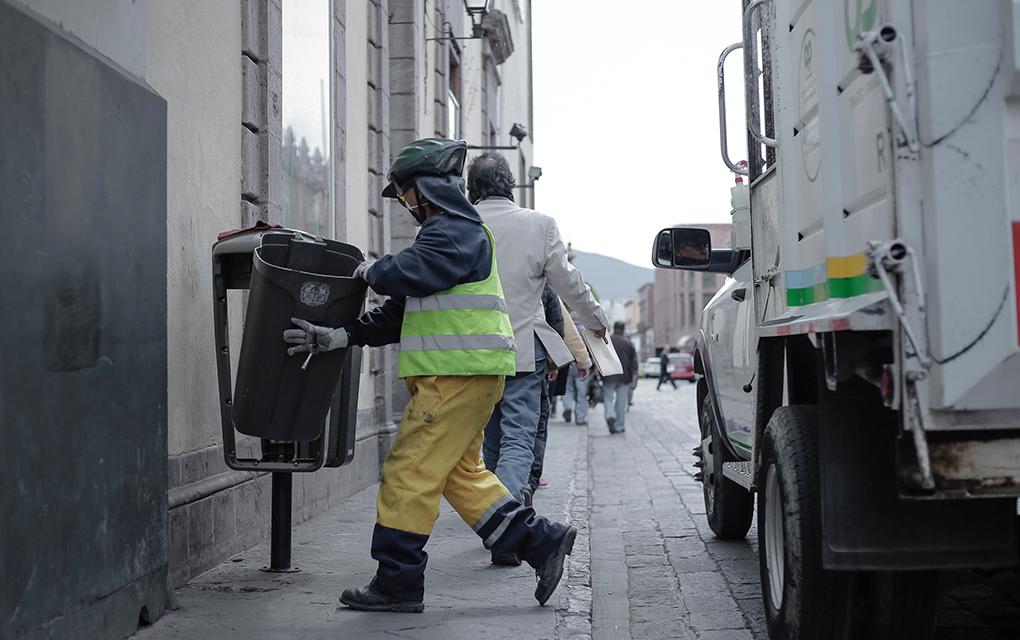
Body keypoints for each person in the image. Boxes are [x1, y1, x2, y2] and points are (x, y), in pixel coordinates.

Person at [284, 139, 575, 613]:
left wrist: (369, 271)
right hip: (466, 374)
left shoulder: (455, 231)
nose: (404, 205)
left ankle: (396, 583)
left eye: (404, 194)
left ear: (425, 189)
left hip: (455, 376)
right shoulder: (448, 235)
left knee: (407, 472)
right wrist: (340, 336)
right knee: (461, 476)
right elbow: (400, 310)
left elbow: (407, 273)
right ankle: (543, 543)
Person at [467, 152, 609, 565]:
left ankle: (495, 523)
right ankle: (509, 533)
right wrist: (595, 321)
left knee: (490, 443)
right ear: (510, 184)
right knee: (517, 440)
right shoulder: (538, 225)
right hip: (521, 352)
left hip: (472, 353)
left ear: (472, 189)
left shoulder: (460, 224)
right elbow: (569, 283)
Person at [526, 296, 592, 505]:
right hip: (532, 363)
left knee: (497, 426)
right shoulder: (539, 274)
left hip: (491, 361)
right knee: (533, 424)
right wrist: (580, 359)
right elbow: (562, 323)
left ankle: (496, 483)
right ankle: (529, 479)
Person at [602, 321, 638, 434]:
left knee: (608, 398)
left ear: (614, 328)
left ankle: (609, 415)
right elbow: (634, 363)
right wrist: (634, 378)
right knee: (621, 402)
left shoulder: (607, 341)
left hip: (608, 375)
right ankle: (619, 426)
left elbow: (600, 357)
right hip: (624, 376)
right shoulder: (629, 343)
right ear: (623, 329)